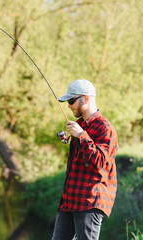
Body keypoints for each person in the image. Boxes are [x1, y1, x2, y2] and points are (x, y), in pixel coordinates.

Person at [51, 79, 119, 240]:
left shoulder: (105, 128)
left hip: (90, 201)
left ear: (86, 99)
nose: (68, 105)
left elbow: (100, 162)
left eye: (71, 100)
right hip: (70, 200)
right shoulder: (80, 126)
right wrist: (78, 135)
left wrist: (81, 136)